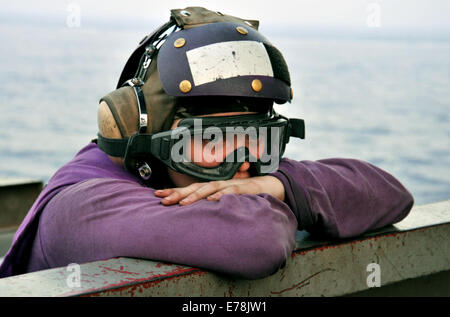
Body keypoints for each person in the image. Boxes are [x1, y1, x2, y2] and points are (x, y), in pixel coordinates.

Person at [0, 7, 414, 279]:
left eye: (258, 137)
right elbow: (258, 238)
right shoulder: (79, 207)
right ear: (148, 136)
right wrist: (285, 204)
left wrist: (279, 185)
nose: (242, 162)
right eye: (211, 140)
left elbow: (390, 193)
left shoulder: (241, 173)